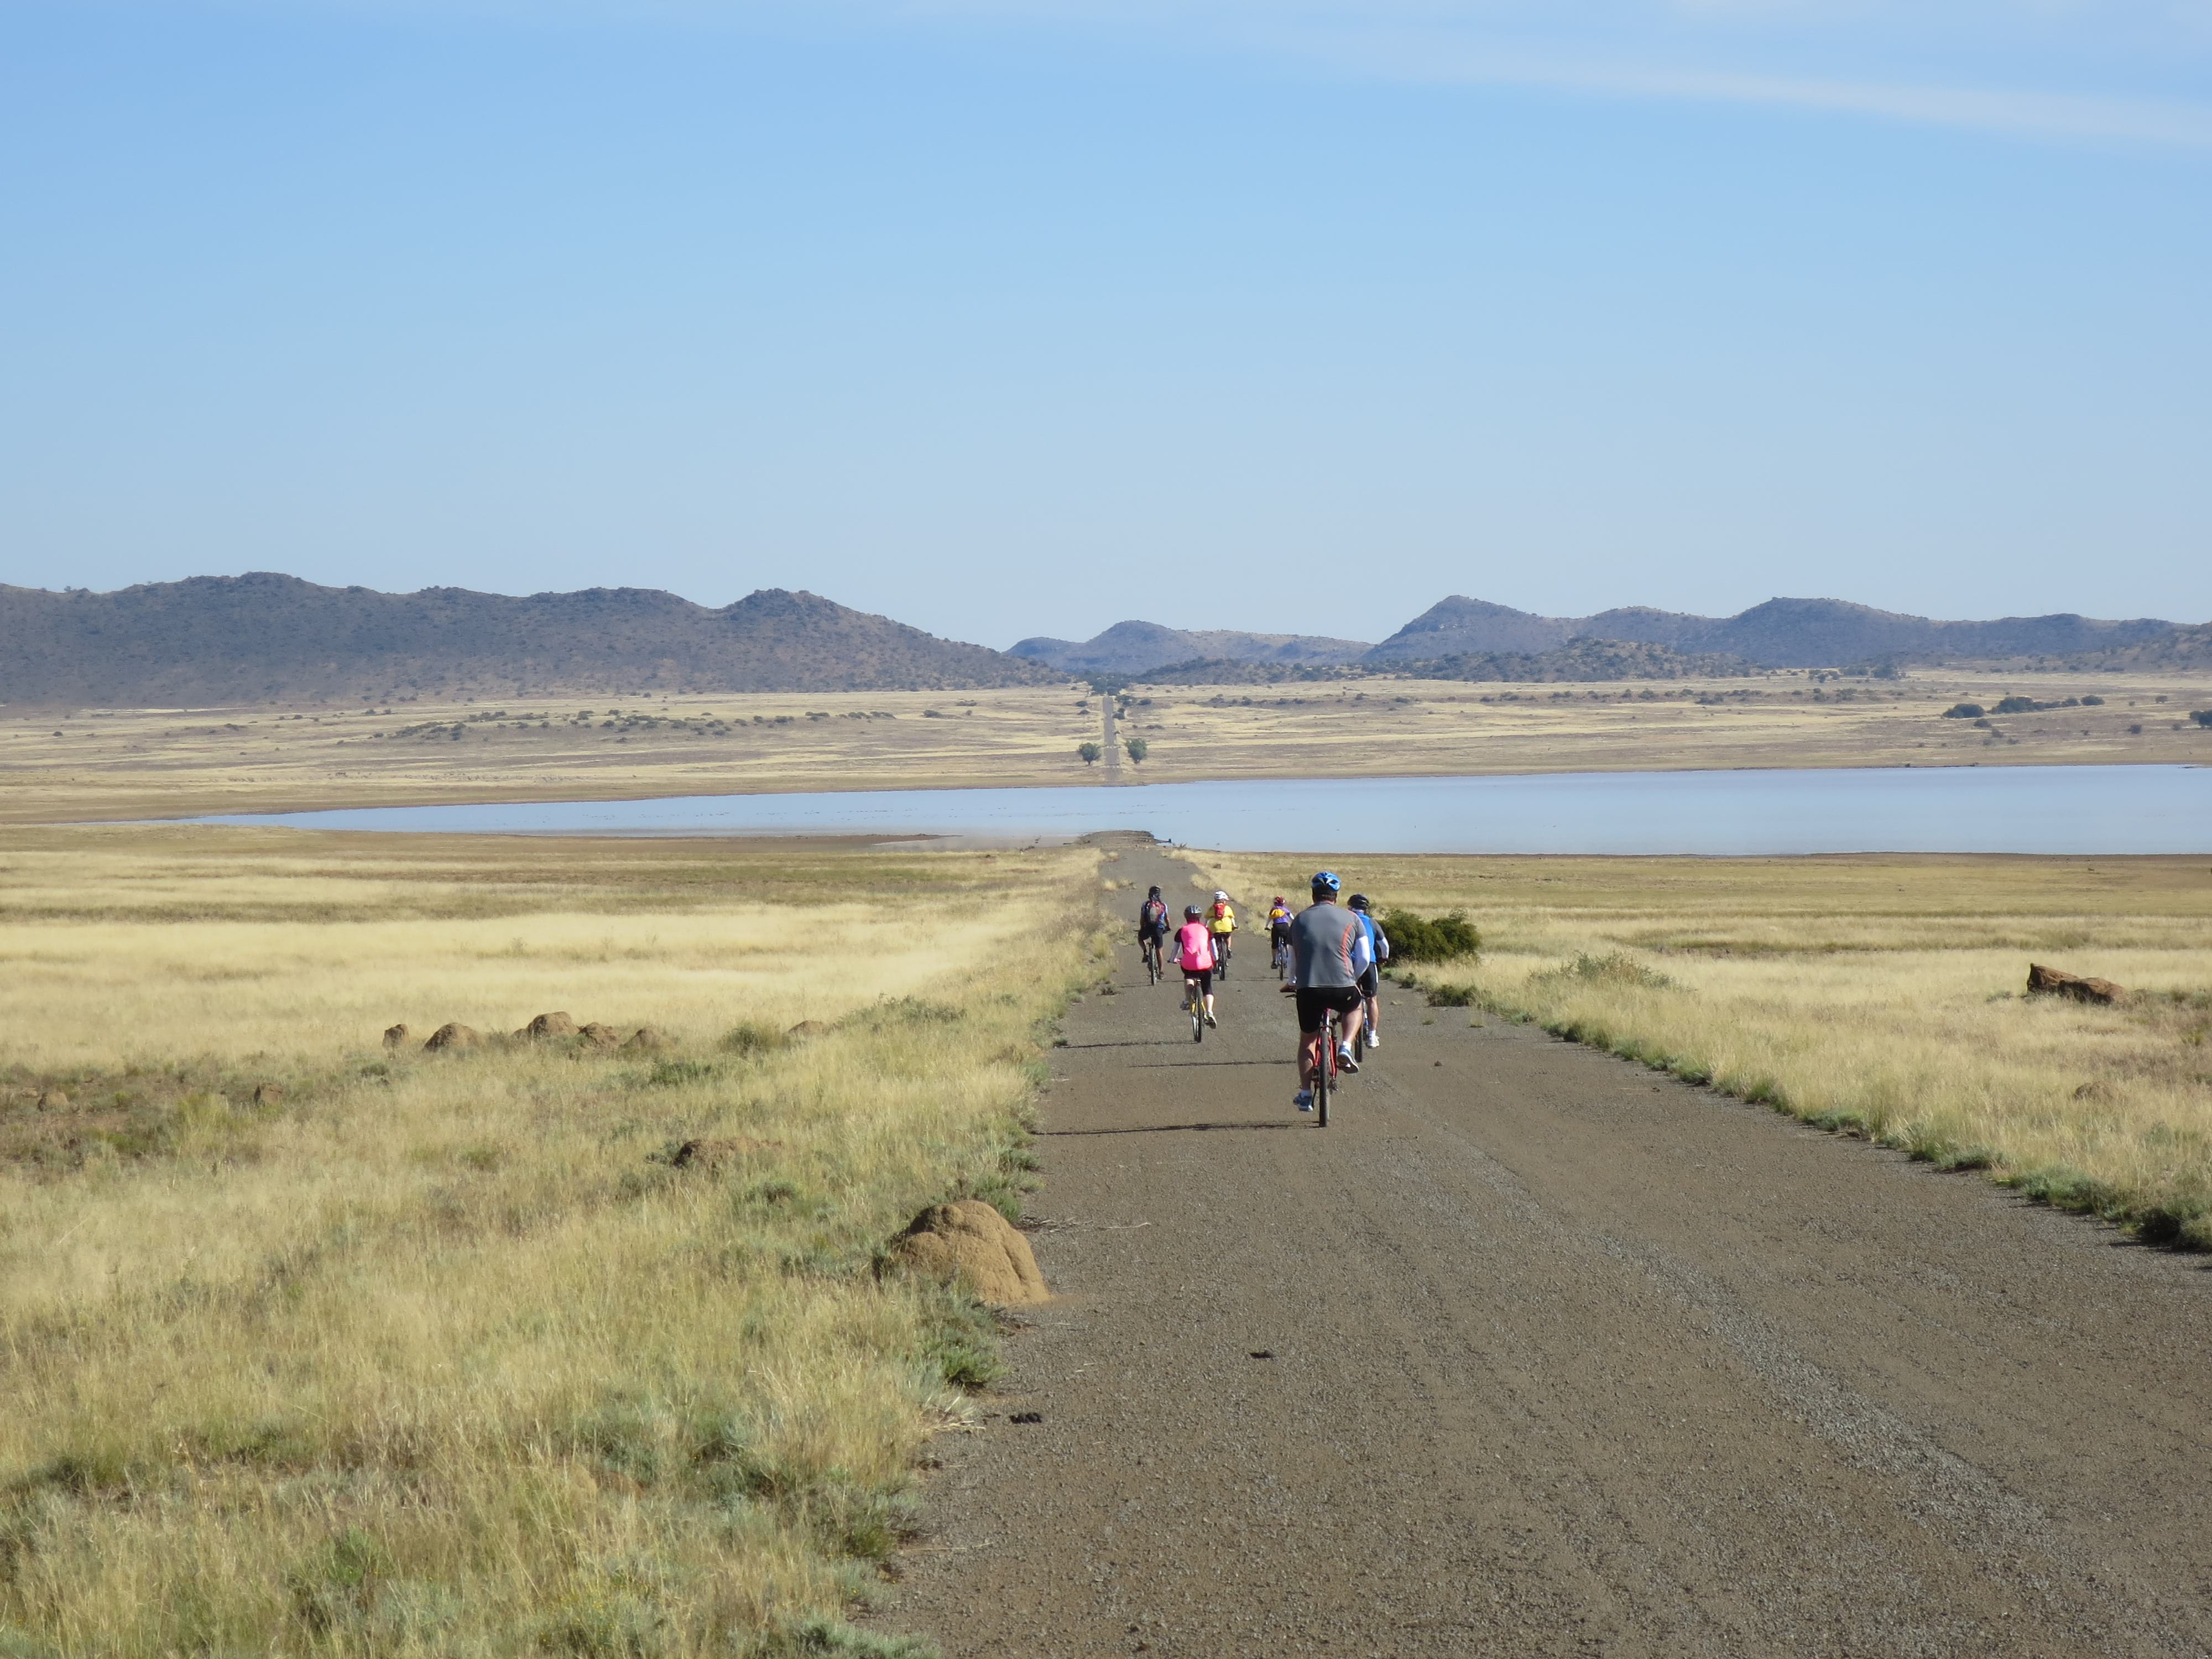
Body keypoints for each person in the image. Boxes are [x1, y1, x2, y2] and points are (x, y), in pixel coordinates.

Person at [1281, 872, 1368, 1111]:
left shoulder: (1299, 919)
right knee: (1355, 1005)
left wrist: (1292, 981)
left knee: (1307, 1041)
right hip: (1343, 986)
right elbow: (1364, 957)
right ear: (1336, 896)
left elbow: (1292, 959)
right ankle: (1346, 1047)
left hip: (1309, 988)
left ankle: (1306, 1094)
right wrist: (1354, 978)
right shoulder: (1353, 918)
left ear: (1313, 895)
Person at [1346, 894, 1391, 1048]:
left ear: (1350, 906)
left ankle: (1347, 1038)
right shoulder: (1372, 922)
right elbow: (1385, 946)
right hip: (1369, 963)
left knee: (1346, 996)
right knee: (1372, 999)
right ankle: (1372, 1035)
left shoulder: (1346, 919)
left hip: (1349, 963)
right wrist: (1384, 958)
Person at [1175, 904, 1218, 1027]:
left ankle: (1188, 999)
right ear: (1199, 917)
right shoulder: (1206, 929)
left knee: (1188, 975)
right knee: (1208, 988)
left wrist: (1173, 959)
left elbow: (1176, 949)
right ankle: (1209, 1012)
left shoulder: (1182, 930)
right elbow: (1214, 949)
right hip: (1206, 964)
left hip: (1189, 963)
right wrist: (1216, 959)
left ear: (1186, 917)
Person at [1136, 885, 1170, 977]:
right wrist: (1168, 927)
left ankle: (1146, 952)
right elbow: (1167, 918)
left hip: (1148, 928)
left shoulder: (1146, 905)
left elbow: (1142, 918)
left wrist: (1142, 928)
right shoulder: (1163, 905)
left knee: (1140, 938)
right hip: (1159, 929)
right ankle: (1161, 972)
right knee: (1159, 951)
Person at [1207, 890, 1236, 974]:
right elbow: (1232, 918)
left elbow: (1207, 918)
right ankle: (1228, 949)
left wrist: (1205, 926)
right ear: (1223, 900)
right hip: (1226, 928)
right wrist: (1234, 926)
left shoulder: (1212, 908)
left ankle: (1216, 958)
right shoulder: (1227, 908)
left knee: (1214, 943)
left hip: (1215, 928)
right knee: (1228, 936)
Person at [1266, 896, 1294, 975]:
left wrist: (1267, 926)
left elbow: (1269, 919)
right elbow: (1292, 919)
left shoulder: (1273, 909)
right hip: (1286, 927)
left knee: (1274, 945)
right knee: (1287, 944)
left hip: (1277, 927)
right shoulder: (1286, 910)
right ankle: (1288, 959)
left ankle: (1274, 961)